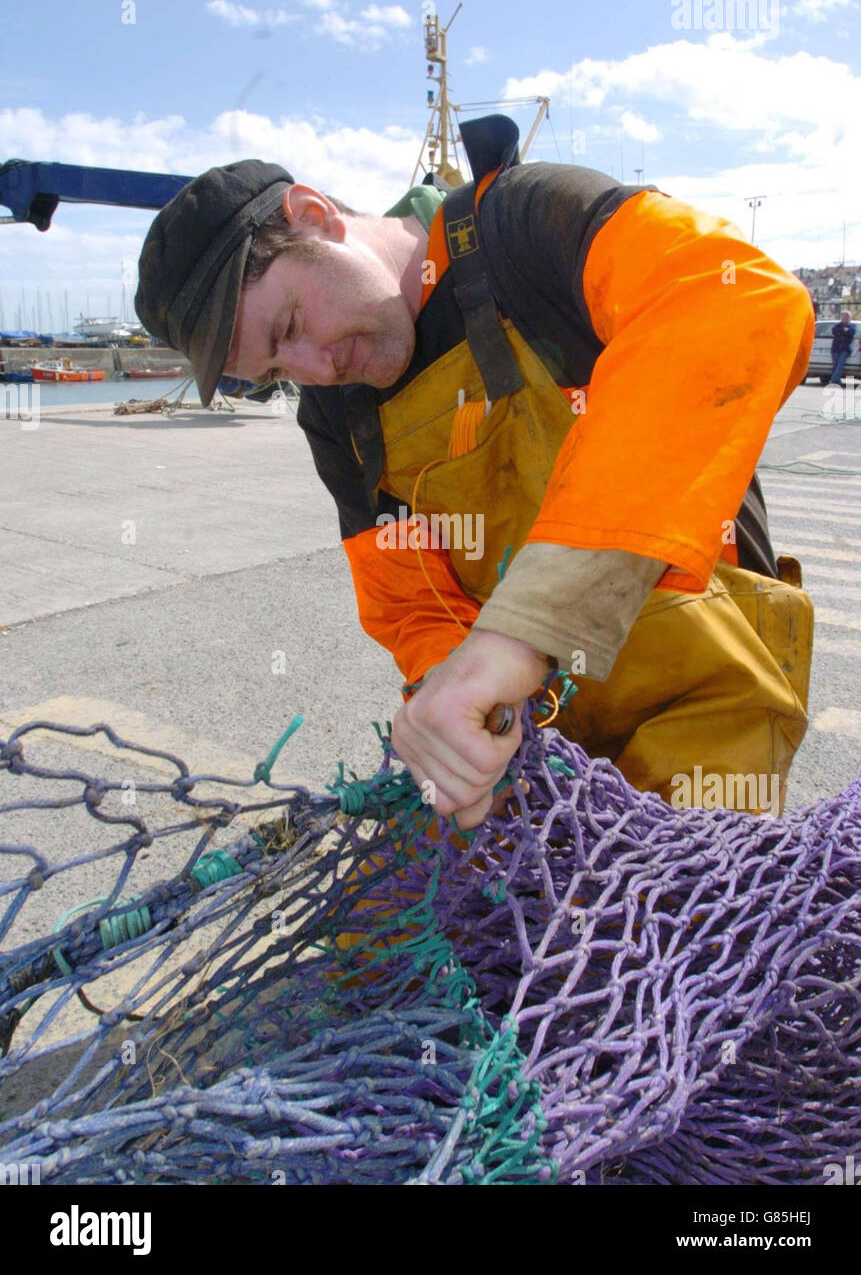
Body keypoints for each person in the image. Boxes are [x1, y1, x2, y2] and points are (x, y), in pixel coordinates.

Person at [134, 115, 815, 826]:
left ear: (314, 217)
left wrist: (520, 633)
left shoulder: (528, 224)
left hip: (703, 685)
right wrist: (452, 697)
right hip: (539, 734)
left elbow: (735, 298)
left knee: (680, 917)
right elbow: (409, 598)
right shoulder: (333, 416)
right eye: (274, 370)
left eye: (291, 327)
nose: (316, 370)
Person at [829, 311, 856, 384]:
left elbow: (851, 332)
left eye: (846, 317)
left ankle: (833, 379)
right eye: (843, 316)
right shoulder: (837, 325)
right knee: (835, 365)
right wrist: (844, 331)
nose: (845, 318)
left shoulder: (852, 326)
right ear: (841, 317)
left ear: (849, 318)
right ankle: (837, 380)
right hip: (835, 348)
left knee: (840, 364)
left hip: (845, 349)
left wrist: (843, 331)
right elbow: (834, 331)